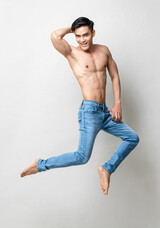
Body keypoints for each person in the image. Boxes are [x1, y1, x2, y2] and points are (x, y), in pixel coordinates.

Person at [20, 17, 139, 195]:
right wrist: (72, 27)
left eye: (85, 35)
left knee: (132, 138)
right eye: (78, 36)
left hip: (105, 112)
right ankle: (41, 164)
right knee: (82, 157)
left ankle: (107, 169)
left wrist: (118, 103)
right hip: (89, 112)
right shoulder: (72, 53)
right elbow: (54, 36)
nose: (82, 39)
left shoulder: (104, 51)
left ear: (93, 33)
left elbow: (114, 75)